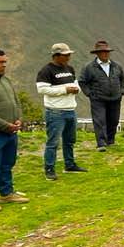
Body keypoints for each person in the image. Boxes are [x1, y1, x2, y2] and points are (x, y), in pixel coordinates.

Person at [35, 42, 87, 181]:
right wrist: (64, 90)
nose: (68, 57)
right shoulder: (46, 70)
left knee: (69, 141)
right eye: (65, 55)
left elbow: (76, 84)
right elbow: (42, 89)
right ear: (56, 56)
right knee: (53, 142)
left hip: (71, 110)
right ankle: (49, 169)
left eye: (69, 54)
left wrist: (77, 89)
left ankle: (69, 165)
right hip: (55, 112)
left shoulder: (70, 68)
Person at [79, 40, 124, 152]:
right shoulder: (89, 67)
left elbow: (123, 78)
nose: (105, 54)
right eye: (102, 52)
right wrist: (90, 94)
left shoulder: (116, 66)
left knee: (114, 120)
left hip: (115, 98)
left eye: (107, 52)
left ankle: (110, 141)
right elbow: (82, 81)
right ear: (97, 53)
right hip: (98, 99)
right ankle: (101, 143)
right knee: (100, 121)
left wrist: (122, 91)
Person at [0, 49, 29, 211]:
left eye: (5, 62)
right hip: (0, 131)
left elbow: (16, 102)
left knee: (7, 164)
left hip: (11, 132)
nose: (4, 65)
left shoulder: (6, 80)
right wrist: (6, 125)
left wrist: (18, 119)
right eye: (0, 62)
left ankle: (6, 194)